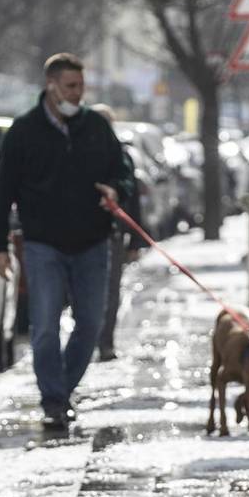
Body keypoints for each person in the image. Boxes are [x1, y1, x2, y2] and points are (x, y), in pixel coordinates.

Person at [0, 52, 134, 430]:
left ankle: (61, 389)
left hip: (92, 242)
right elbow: (1, 191)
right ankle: (53, 400)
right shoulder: (24, 131)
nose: (77, 93)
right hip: (43, 244)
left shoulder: (96, 128)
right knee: (45, 326)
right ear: (51, 86)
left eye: (81, 86)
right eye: (71, 86)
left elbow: (124, 173)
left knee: (90, 324)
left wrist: (116, 190)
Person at [89, 103, 142, 362]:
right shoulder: (78, 154)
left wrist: (136, 239)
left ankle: (105, 342)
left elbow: (133, 200)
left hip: (114, 234)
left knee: (111, 291)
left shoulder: (122, 157)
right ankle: (91, 338)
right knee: (88, 291)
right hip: (84, 236)